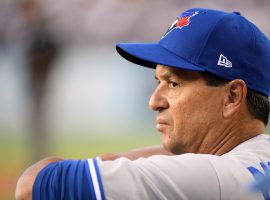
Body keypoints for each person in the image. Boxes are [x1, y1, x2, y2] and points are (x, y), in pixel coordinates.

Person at [15, 8, 270, 200]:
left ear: (233, 96)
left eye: (174, 84)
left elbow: (32, 186)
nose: (154, 102)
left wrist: (117, 158)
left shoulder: (207, 177)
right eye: (157, 81)